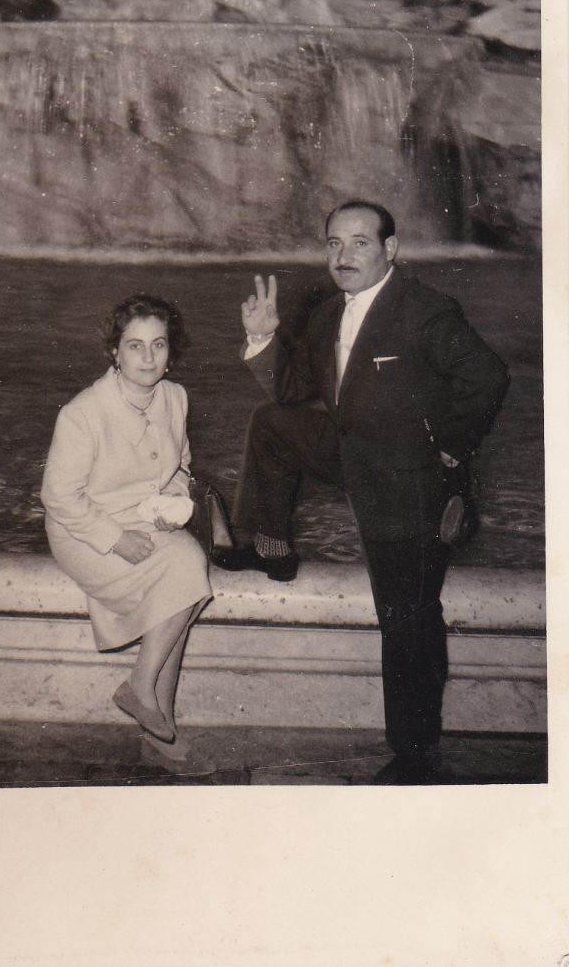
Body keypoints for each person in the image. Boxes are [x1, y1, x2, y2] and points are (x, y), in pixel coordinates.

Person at [223, 201, 509, 784]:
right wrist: (262, 340)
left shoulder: (425, 310)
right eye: (333, 244)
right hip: (353, 449)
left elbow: (487, 376)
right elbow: (294, 388)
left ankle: (414, 754)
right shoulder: (329, 314)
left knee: (405, 617)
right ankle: (270, 546)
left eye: (359, 243)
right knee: (272, 425)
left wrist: (449, 447)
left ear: (391, 249)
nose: (343, 256)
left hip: (410, 482)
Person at [41, 294, 211, 768]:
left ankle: (144, 694)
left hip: (143, 520)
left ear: (170, 352)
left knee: (188, 575)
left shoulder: (175, 397)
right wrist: (115, 539)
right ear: (114, 352)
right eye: (134, 346)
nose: (148, 357)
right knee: (186, 583)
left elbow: (180, 466)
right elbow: (59, 498)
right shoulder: (83, 412)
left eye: (158, 345)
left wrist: (172, 504)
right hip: (85, 531)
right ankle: (158, 726)